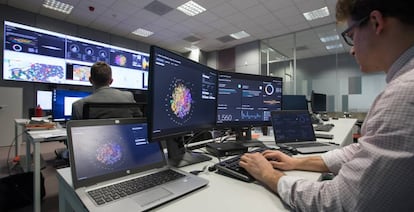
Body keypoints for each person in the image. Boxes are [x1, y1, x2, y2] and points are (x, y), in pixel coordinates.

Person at [239, 0, 414, 211]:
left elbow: (337, 202)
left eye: (351, 36)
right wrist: (296, 163)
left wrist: (269, 175)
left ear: (376, 22)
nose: (351, 51)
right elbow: (361, 151)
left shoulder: (404, 94)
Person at [71, 61, 140, 120]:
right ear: (111, 81)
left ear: (90, 80)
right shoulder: (128, 97)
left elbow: (75, 132)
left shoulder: (78, 106)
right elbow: (139, 119)